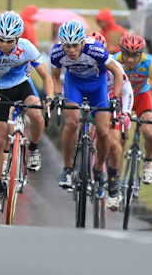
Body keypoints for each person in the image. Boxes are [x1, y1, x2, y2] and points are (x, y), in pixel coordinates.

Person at [0, 11, 54, 213]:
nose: (4, 44)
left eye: (10, 41)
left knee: (36, 115)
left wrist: (50, 98)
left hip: (22, 85)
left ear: (18, 39)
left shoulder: (27, 48)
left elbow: (46, 77)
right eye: (1, 39)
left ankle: (33, 148)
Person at [51, 20, 123, 200]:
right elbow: (55, 76)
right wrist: (58, 94)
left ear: (83, 42)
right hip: (74, 84)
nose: (71, 50)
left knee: (104, 132)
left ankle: (98, 170)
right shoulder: (57, 52)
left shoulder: (95, 49)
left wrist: (115, 98)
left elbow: (117, 72)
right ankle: (67, 169)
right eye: (67, 46)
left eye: (75, 45)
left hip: (97, 86)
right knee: (71, 122)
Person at [112, 33, 152, 193]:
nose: (130, 60)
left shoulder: (150, 63)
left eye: (135, 55)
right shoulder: (115, 61)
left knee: (149, 133)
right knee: (120, 141)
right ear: (121, 52)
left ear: (141, 54)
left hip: (142, 96)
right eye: (126, 55)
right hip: (122, 97)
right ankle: (115, 181)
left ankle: (149, 161)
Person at [89, 31, 134, 211]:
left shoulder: (112, 65)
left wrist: (125, 113)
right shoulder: (78, 62)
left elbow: (127, 90)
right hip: (90, 102)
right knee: (86, 130)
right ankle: (86, 163)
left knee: (115, 144)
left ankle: (113, 181)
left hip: (108, 103)